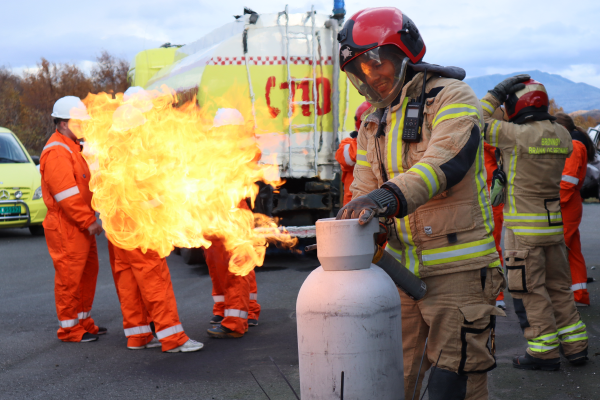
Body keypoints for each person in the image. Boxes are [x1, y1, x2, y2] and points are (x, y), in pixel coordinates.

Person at [336, 8, 505, 399]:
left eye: (377, 66)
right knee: (393, 378)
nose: (370, 78)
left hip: (459, 272)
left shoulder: (452, 96)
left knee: (456, 382)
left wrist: (384, 199)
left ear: (404, 52)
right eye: (360, 72)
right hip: (399, 275)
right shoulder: (372, 121)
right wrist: (350, 225)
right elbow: (361, 186)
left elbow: (448, 160)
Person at [481, 76, 589, 370]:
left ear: (516, 104)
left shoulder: (512, 135)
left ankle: (544, 351)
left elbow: (472, 123)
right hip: (553, 227)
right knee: (559, 288)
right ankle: (576, 346)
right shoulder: (563, 134)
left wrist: (494, 94)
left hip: (523, 231)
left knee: (532, 291)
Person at [40, 96, 106, 343]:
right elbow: (67, 197)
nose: (83, 126)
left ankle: (83, 322)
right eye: (78, 122)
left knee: (86, 273)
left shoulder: (72, 146)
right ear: (63, 123)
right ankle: (69, 329)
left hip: (77, 225)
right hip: (67, 225)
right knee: (70, 277)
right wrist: (88, 220)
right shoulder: (57, 152)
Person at [206, 108, 261, 339]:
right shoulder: (219, 152)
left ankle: (236, 320)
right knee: (218, 268)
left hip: (233, 216)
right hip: (214, 216)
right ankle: (227, 311)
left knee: (236, 269)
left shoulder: (243, 152)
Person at [107, 240, 203, 352]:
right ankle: (173, 338)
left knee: (129, 278)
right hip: (140, 227)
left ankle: (139, 336)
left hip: (118, 228)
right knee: (155, 276)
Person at [555, 112, 592, 306]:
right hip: (569, 204)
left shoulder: (573, 146)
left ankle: (558, 297)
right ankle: (579, 295)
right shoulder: (575, 144)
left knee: (557, 253)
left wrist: (552, 204)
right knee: (572, 251)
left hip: (565, 205)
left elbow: (567, 182)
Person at [483, 107, 509, 309]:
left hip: (490, 197)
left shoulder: (490, 137)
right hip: (482, 196)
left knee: (492, 247)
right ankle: (491, 295)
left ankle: (497, 296)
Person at [335, 101, 371, 205]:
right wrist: (365, 137)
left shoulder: (383, 143)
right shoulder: (348, 144)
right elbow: (349, 158)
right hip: (354, 207)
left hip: (374, 204)